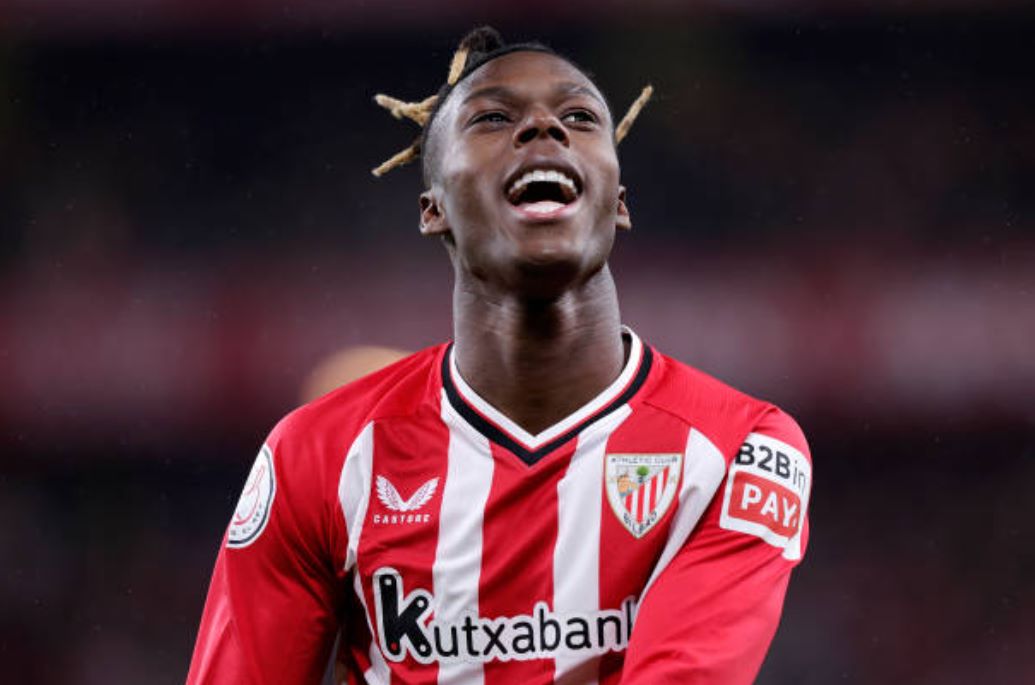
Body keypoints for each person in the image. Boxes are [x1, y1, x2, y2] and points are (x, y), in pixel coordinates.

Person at [187, 27, 812, 685]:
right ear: (433, 209)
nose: (544, 126)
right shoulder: (317, 455)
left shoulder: (739, 448)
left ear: (619, 202)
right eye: (492, 118)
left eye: (579, 117)